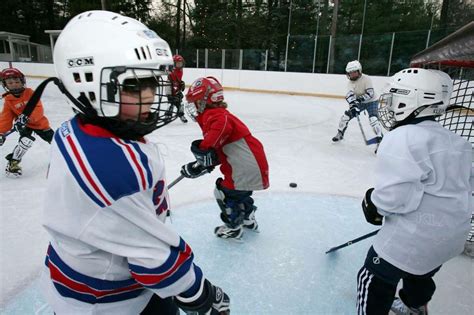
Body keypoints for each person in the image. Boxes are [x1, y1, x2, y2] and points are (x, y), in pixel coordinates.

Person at [40, 11, 230, 315]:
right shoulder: (116, 167)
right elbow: (153, 259)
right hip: (112, 300)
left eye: (152, 82)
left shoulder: (75, 129)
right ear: (86, 83)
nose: (151, 95)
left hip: (81, 280)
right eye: (133, 86)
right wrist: (201, 295)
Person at [356, 68, 473, 315]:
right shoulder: (459, 142)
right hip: (451, 238)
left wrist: (373, 204)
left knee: (372, 277)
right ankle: (414, 306)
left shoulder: (403, 137)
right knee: (421, 270)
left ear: (413, 100)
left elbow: (395, 199)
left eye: (394, 97)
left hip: (413, 238)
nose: (387, 104)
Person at [180, 76, 269, 240]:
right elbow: (221, 146)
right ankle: (248, 219)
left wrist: (204, 150)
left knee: (224, 192)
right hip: (249, 162)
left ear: (204, 101)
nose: (193, 107)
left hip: (245, 164)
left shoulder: (216, 116)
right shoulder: (216, 115)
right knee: (238, 193)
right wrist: (202, 162)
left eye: (196, 102)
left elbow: (221, 129)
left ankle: (233, 227)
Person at [0, 67, 53, 177]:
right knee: (25, 141)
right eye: (10, 83)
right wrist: (1, 133)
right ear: (5, 85)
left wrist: (28, 117)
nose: (14, 84)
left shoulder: (30, 93)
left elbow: (38, 109)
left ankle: (67, 157)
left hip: (40, 124)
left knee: (56, 141)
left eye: (16, 81)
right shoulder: (9, 100)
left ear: (22, 81)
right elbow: (5, 118)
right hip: (24, 126)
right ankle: (13, 163)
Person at [332, 60, 383, 144]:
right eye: (350, 73)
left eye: (354, 72)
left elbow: (370, 93)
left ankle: (379, 139)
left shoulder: (366, 78)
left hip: (372, 101)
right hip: (359, 102)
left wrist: (358, 100)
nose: (352, 74)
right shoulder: (350, 83)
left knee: (373, 119)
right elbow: (349, 95)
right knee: (345, 117)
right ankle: (340, 133)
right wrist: (353, 106)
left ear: (359, 71)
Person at [168, 54, 188, 123]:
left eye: (180, 63)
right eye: (178, 63)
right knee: (171, 103)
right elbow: (168, 83)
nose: (179, 65)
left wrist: (181, 83)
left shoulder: (180, 71)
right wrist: (169, 94)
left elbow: (178, 80)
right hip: (171, 90)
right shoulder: (171, 72)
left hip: (177, 90)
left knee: (180, 103)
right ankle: (168, 115)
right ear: (173, 64)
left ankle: (181, 115)